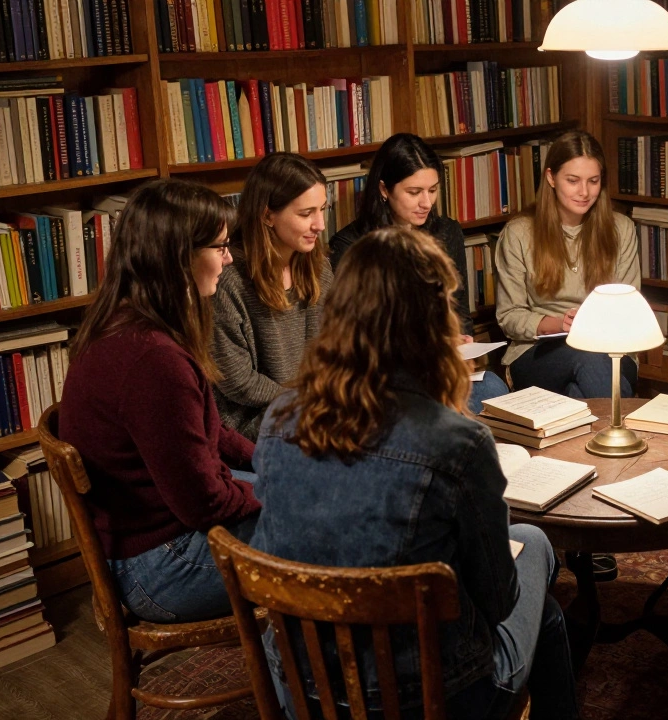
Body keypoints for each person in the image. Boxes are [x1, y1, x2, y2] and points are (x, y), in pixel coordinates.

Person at [250, 226, 578, 720]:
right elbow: (498, 599)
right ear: (432, 322)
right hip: (428, 697)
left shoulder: (279, 420)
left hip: (304, 688)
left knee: (547, 614)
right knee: (534, 545)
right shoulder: (458, 442)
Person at [59, 179, 259, 623]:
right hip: (159, 566)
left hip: (152, 537)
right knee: (329, 528)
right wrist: (284, 491)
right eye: (220, 246)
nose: (229, 258)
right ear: (180, 257)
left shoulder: (128, 321)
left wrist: (270, 460)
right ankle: (312, 677)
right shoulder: (153, 362)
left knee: (305, 486)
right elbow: (204, 503)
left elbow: (207, 432)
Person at [328, 133, 509, 411]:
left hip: (441, 367)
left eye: (433, 190)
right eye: (414, 192)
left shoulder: (446, 232)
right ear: (384, 189)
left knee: (494, 388)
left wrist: (458, 339)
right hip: (387, 376)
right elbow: (356, 336)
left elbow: (457, 308)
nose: (426, 202)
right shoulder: (352, 246)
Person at [495, 130, 641, 398]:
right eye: (573, 181)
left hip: (610, 350)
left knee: (579, 386)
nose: (584, 192)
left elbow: (630, 309)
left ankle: (602, 435)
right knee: (586, 361)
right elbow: (509, 316)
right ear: (551, 178)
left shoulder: (622, 229)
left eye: (593, 181)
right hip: (538, 351)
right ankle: (623, 432)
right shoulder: (519, 233)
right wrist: (557, 323)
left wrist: (598, 325)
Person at [211, 153, 334, 439]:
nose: (320, 225)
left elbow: (336, 344)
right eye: (306, 214)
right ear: (267, 215)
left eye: (323, 209)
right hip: (254, 419)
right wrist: (304, 400)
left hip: (310, 403)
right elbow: (236, 380)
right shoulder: (228, 278)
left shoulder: (319, 266)